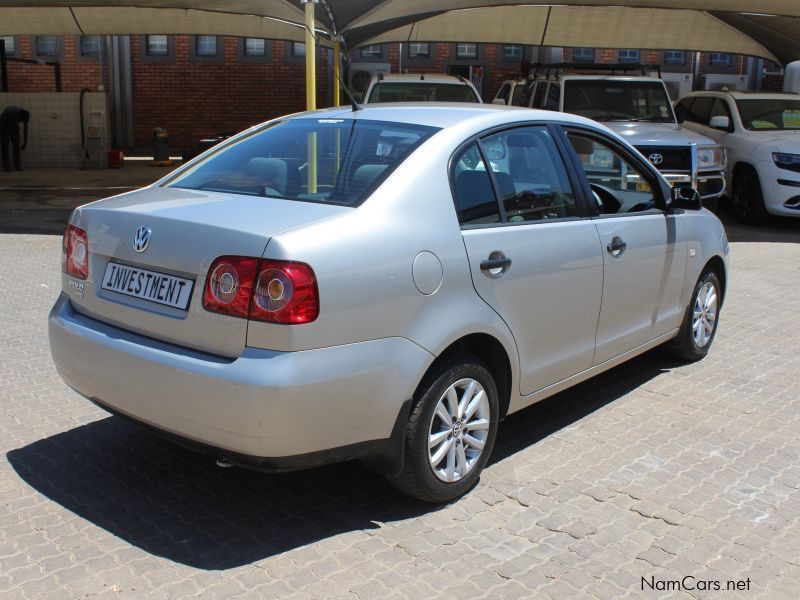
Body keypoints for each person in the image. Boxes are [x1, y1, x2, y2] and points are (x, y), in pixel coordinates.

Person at [0, 106, 30, 172]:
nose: (21, 121)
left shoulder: (25, 114)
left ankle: (17, 165)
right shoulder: (11, 113)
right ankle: (6, 166)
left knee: (16, 146)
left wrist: (25, 143)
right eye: (20, 120)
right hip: (4, 123)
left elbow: (25, 129)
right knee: (5, 145)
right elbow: (8, 126)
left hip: (12, 123)